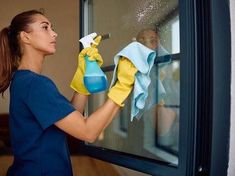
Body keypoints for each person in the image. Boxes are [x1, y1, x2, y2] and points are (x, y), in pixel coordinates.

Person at [0, 10, 137, 176]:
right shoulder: (35, 84)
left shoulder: (22, 80)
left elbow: (72, 119)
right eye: (45, 28)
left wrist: (83, 80)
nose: (54, 33)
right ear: (25, 37)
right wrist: (122, 86)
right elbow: (88, 132)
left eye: (52, 27)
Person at [136, 28, 177, 146]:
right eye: (142, 42)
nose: (147, 46)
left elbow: (163, 129)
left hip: (165, 147)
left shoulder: (169, 80)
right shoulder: (134, 76)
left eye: (153, 41)